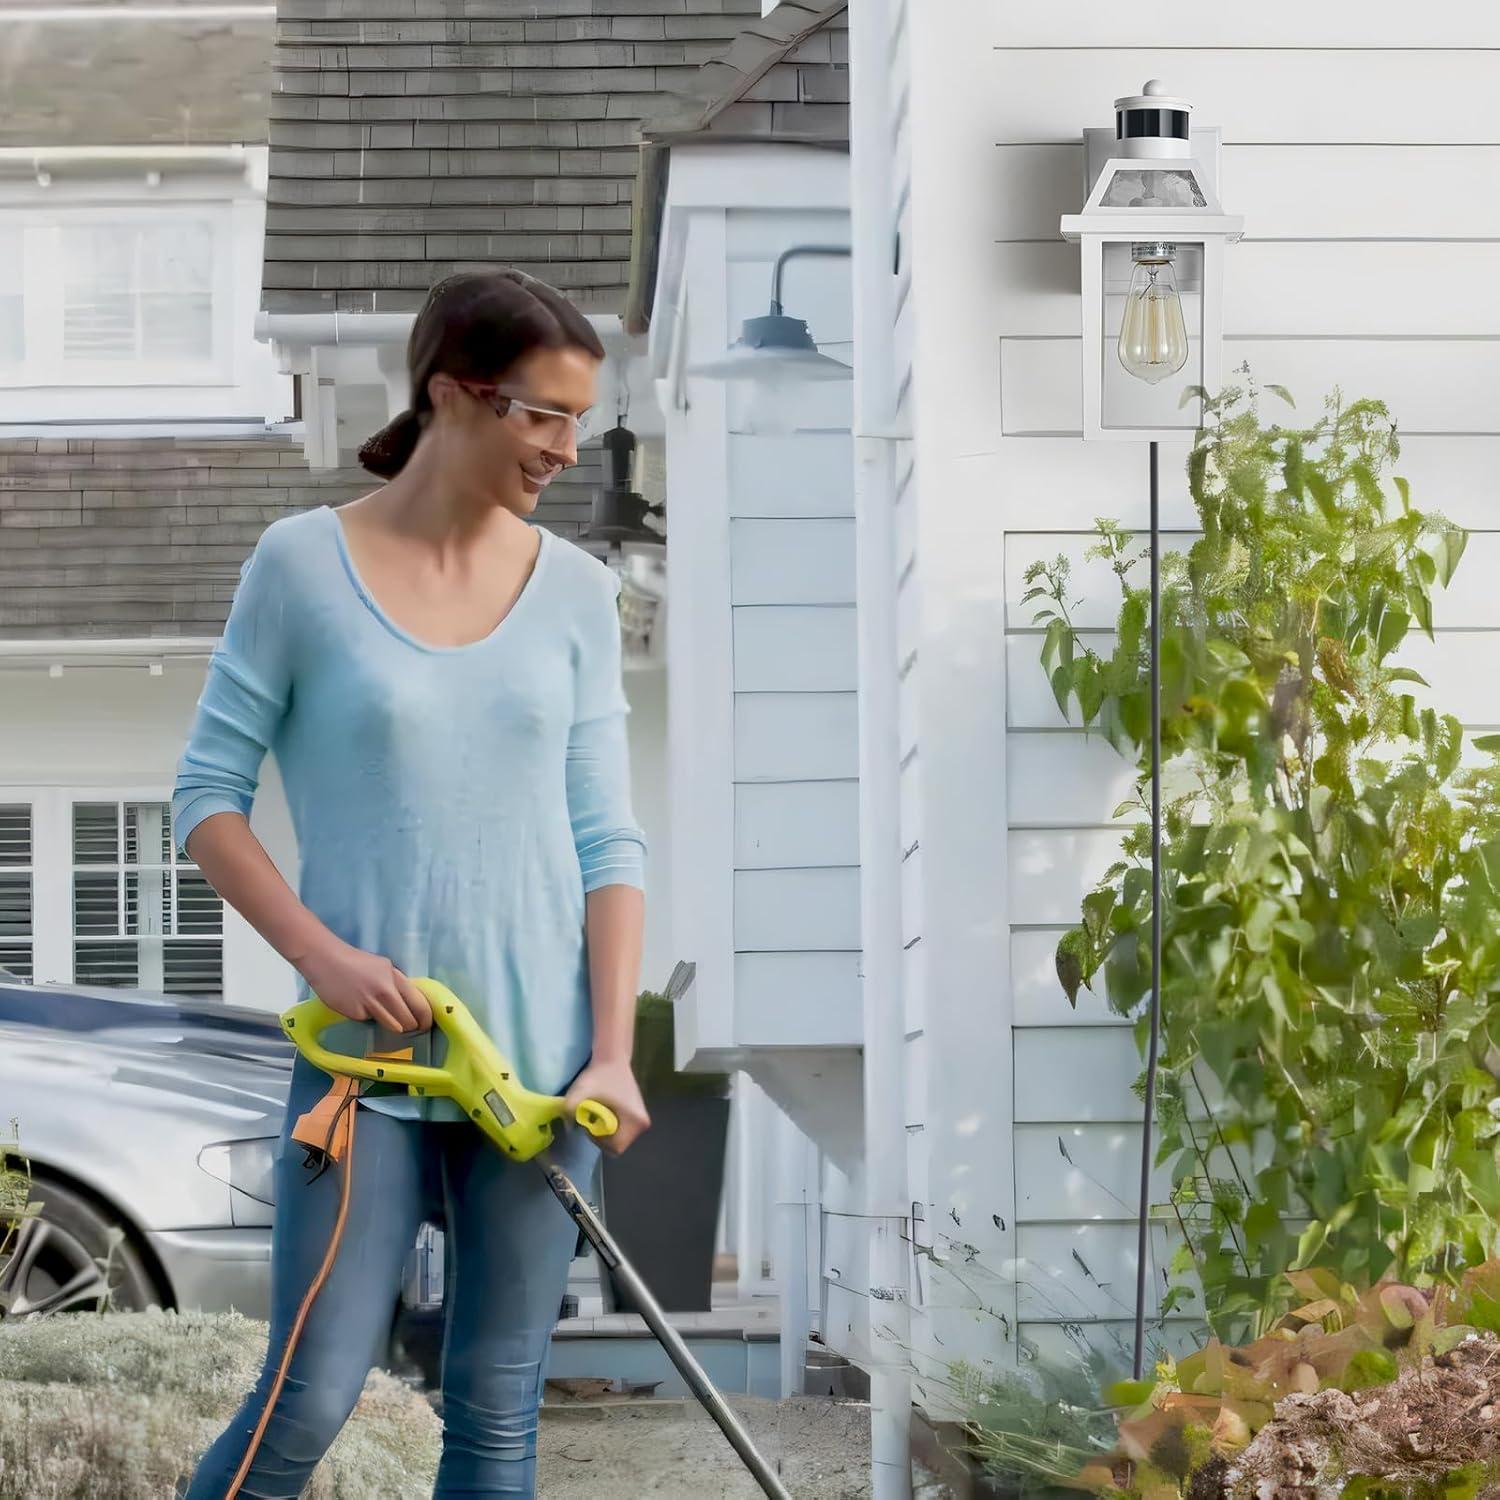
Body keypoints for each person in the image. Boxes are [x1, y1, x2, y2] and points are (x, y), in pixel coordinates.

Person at [173, 269, 650, 1498]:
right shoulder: (300, 566)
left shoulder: (581, 595)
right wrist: (323, 958)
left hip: (537, 1079)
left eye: (577, 422)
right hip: (364, 1066)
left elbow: (608, 842)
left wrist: (611, 1053)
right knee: (310, 1395)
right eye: (542, 414)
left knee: (498, 1416)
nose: (563, 447)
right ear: (452, 391)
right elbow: (206, 804)